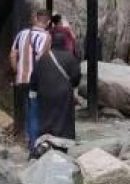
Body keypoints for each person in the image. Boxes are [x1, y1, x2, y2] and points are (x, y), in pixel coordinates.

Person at [30, 31, 81, 141]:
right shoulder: (70, 58)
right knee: (63, 117)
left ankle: (45, 138)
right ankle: (62, 139)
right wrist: (71, 85)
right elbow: (76, 77)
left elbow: (34, 77)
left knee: (46, 115)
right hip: (63, 93)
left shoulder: (43, 57)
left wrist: (33, 91)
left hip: (44, 92)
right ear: (63, 43)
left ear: (52, 42)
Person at [10, 10, 51, 150]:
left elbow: (12, 55)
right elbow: (43, 59)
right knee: (36, 110)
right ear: (48, 22)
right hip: (36, 80)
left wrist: (18, 72)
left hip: (21, 79)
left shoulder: (21, 34)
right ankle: (34, 144)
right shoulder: (46, 36)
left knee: (28, 109)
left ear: (36, 19)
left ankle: (29, 139)